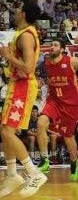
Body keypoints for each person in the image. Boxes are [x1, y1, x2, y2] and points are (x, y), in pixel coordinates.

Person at [0, 0, 47, 198]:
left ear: (24, 13)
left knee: (9, 132)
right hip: (16, 84)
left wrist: (8, 57)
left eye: (18, 8)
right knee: (4, 130)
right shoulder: (22, 33)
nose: (15, 10)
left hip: (23, 86)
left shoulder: (26, 36)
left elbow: (28, 67)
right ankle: (11, 174)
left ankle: (33, 173)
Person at [37, 39, 78, 182]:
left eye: (55, 45)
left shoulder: (71, 61)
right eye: (51, 45)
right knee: (41, 123)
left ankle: (74, 162)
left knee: (68, 136)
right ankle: (45, 161)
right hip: (54, 101)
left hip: (71, 104)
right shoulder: (46, 64)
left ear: (62, 49)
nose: (51, 47)